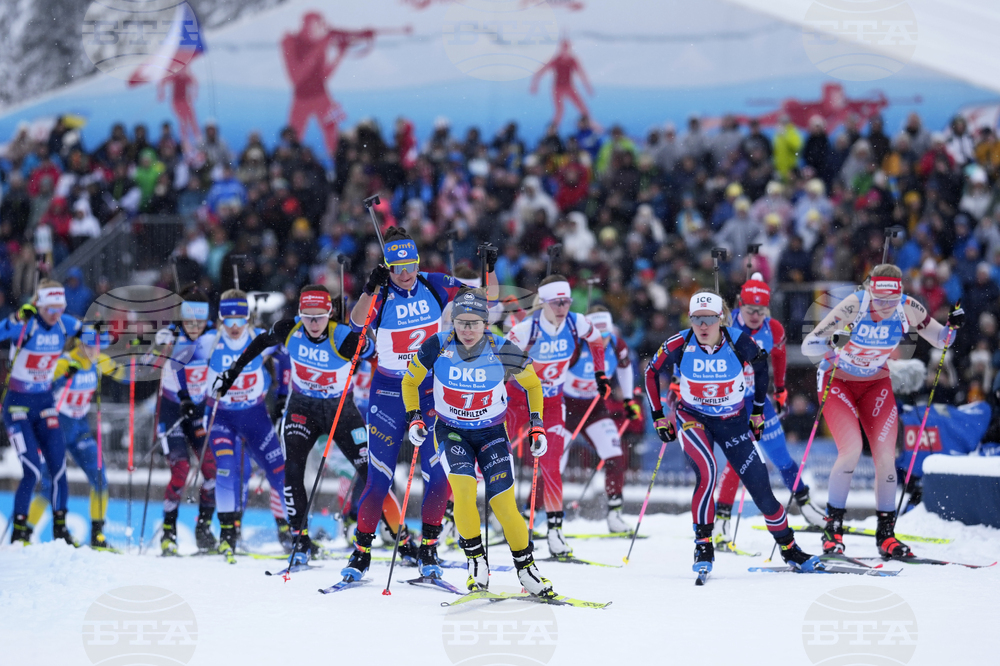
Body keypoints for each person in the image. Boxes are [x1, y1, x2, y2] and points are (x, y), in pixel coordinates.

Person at [343, 228, 497, 580]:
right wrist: (369, 287)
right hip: (387, 394)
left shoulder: (433, 284)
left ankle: (429, 549)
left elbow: (483, 297)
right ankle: (361, 553)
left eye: (410, 264)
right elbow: (355, 322)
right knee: (378, 480)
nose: (405, 273)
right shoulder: (380, 292)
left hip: (428, 390)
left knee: (439, 476)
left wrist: (489, 266)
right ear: (388, 266)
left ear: (416, 261)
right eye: (397, 267)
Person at [215, 285, 405, 565]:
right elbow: (256, 346)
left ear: (329, 313)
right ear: (300, 314)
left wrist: (369, 345)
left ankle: (403, 539)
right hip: (302, 407)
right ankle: (299, 539)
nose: (314, 323)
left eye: (319, 316)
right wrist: (232, 372)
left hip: (340, 408)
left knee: (373, 473)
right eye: (307, 316)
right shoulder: (289, 329)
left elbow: (378, 355)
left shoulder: (342, 337)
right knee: (292, 472)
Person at [645, 291, 822, 577]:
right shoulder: (679, 342)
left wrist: (757, 411)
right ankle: (704, 545)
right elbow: (651, 372)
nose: (703, 326)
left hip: (733, 422)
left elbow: (762, 368)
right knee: (707, 471)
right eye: (697, 319)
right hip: (693, 418)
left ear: (720, 320)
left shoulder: (737, 341)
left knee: (761, 491)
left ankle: (790, 548)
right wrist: (657, 416)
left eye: (710, 320)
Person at [801, 264, 963, 558]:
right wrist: (832, 346)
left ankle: (886, 535)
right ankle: (832, 530)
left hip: (876, 383)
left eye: (892, 300)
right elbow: (808, 344)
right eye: (880, 300)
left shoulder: (908, 307)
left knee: (886, 457)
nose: (887, 307)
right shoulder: (854, 305)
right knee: (851, 449)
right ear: (870, 292)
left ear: (900, 293)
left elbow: (942, 340)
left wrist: (952, 326)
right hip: (839, 382)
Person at [401, 288, 554, 596]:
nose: (467, 330)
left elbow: (533, 384)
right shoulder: (437, 345)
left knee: (502, 503)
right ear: (453, 321)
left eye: (474, 323)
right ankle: (476, 563)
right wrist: (414, 417)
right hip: (451, 431)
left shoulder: (502, 347)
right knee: (464, 491)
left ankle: (526, 569)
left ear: (486, 323)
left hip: (492, 433)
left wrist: (537, 426)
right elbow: (410, 380)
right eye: (461, 322)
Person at [713, 276, 825, 547]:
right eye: (751, 310)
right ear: (741, 305)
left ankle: (805, 504)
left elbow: (779, 356)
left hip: (759, 402)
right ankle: (721, 521)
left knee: (781, 456)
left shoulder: (772, 328)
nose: (755, 316)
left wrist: (781, 388)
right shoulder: (726, 325)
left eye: (761, 311)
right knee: (737, 462)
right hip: (733, 404)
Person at [505, 275, 609, 556]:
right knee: (496, 458)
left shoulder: (577, 323)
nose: (562, 307)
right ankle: (466, 518)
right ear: (544, 303)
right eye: (556, 302)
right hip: (517, 400)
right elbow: (500, 353)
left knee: (551, 465)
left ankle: (555, 532)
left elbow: (597, 341)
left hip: (551, 404)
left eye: (566, 301)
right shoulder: (529, 328)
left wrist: (600, 373)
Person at [182, 290, 290, 560]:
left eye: (239, 318)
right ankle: (228, 535)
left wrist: (283, 393)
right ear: (219, 318)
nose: (233, 326)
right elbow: (178, 361)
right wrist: (190, 399)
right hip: (222, 418)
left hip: (255, 417)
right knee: (227, 471)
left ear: (248, 318)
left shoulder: (259, 338)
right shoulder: (209, 341)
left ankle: (296, 533)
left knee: (280, 474)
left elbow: (289, 351)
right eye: (227, 318)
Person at [28, 326, 128, 550]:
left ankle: (97, 536)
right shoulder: (64, 362)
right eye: (90, 345)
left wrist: (144, 360)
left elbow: (124, 374)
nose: (95, 350)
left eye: (98, 345)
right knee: (49, 484)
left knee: (100, 479)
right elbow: (41, 388)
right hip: (58, 426)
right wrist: (64, 377)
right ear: (79, 343)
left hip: (80, 428)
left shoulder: (99, 360)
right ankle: (25, 532)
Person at [2, 279, 83, 545]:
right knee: (33, 471)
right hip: (17, 406)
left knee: (59, 467)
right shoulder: (27, 324)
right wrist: (14, 317)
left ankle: (60, 527)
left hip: (45, 404)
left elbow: (96, 336)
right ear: (39, 304)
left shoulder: (64, 324)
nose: (55, 313)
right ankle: (20, 531)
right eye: (50, 308)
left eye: (60, 307)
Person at [151, 286, 221, 556]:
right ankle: (168, 534)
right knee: (180, 469)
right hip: (173, 412)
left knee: (212, 472)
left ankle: (203, 529)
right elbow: (161, 357)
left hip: (197, 413)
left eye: (199, 322)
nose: (194, 327)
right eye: (189, 321)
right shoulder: (171, 335)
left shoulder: (212, 336)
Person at [562, 305, 640, 533]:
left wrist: (628, 400)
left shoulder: (617, 345)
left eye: (606, 335)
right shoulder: (575, 345)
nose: (603, 341)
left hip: (594, 407)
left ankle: (615, 515)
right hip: (567, 407)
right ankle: (534, 513)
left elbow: (625, 369)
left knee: (615, 455)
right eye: (598, 336)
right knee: (554, 462)